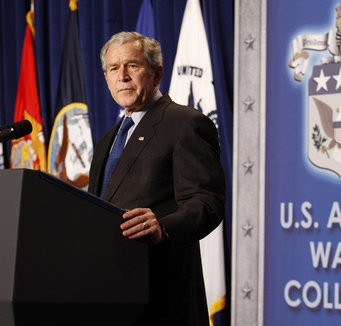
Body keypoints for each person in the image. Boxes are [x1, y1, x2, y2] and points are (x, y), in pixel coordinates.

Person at [88, 31, 226, 325]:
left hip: (163, 298)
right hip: (110, 294)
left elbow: (207, 203)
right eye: (114, 68)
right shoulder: (106, 141)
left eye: (132, 66)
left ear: (157, 73)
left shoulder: (185, 123)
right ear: (106, 77)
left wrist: (163, 227)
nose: (122, 76)